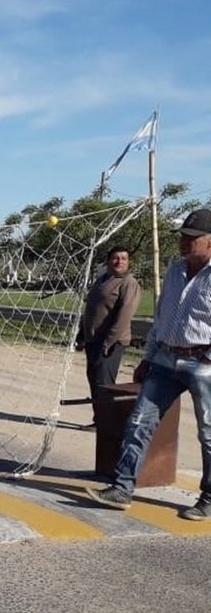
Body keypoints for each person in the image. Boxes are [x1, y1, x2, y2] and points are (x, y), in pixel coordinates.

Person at [87, 208, 211, 521]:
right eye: (182, 236)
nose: (184, 242)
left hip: (203, 364)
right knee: (139, 422)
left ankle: (208, 498)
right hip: (166, 359)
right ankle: (122, 488)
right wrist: (149, 357)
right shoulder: (175, 270)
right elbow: (161, 317)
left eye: (192, 238)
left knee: (208, 434)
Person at [75, 247, 141, 430]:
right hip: (93, 340)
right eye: (115, 258)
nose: (120, 262)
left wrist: (108, 342)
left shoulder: (128, 283)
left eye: (124, 258)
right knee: (95, 381)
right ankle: (100, 420)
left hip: (110, 343)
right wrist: (82, 334)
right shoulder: (102, 280)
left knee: (104, 383)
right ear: (108, 261)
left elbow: (124, 316)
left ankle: (107, 424)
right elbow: (91, 309)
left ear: (128, 262)